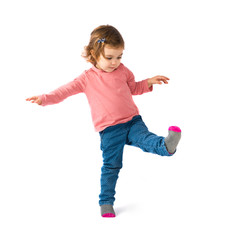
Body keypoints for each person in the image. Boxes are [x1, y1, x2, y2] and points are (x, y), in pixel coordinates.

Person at [26, 25, 181, 218]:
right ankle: (106, 202)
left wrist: (148, 82)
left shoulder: (123, 71)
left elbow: (133, 88)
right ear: (93, 53)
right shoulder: (86, 78)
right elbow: (64, 91)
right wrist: (44, 98)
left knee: (145, 138)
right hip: (110, 130)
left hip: (133, 121)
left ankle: (166, 146)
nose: (115, 62)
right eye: (109, 57)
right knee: (112, 166)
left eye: (119, 56)